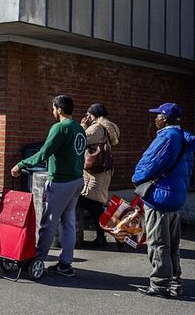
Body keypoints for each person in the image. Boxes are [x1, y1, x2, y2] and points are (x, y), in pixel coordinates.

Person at [11, 95, 86, 277]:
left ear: (59, 109)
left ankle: (37, 259)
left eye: (53, 108)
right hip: (77, 180)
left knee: (48, 222)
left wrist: (21, 164)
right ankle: (65, 263)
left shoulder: (60, 127)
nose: (53, 112)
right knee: (68, 223)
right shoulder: (79, 128)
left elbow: (44, 152)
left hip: (61, 181)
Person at [133, 103, 195, 298]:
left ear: (165, 118)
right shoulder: (184, 138)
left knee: (158, 243)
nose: (155, 119)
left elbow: (149, 163)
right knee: (172, 243)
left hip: (160, 197)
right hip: (176, 196)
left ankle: (160, 284)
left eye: (157, 116)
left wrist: (136, 178)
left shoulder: (166, 137)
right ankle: (175, 282)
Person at [79, 103, 121, 248]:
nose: (87, 117)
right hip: (101, 171)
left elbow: (80, 139)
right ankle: (104, 236)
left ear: (94, 114)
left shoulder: (96, 128)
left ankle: (116, 230)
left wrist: (82, 126)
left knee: (91, 203)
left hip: (96, 172)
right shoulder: (110, 126)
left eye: (89, 114)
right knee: (94, 204)